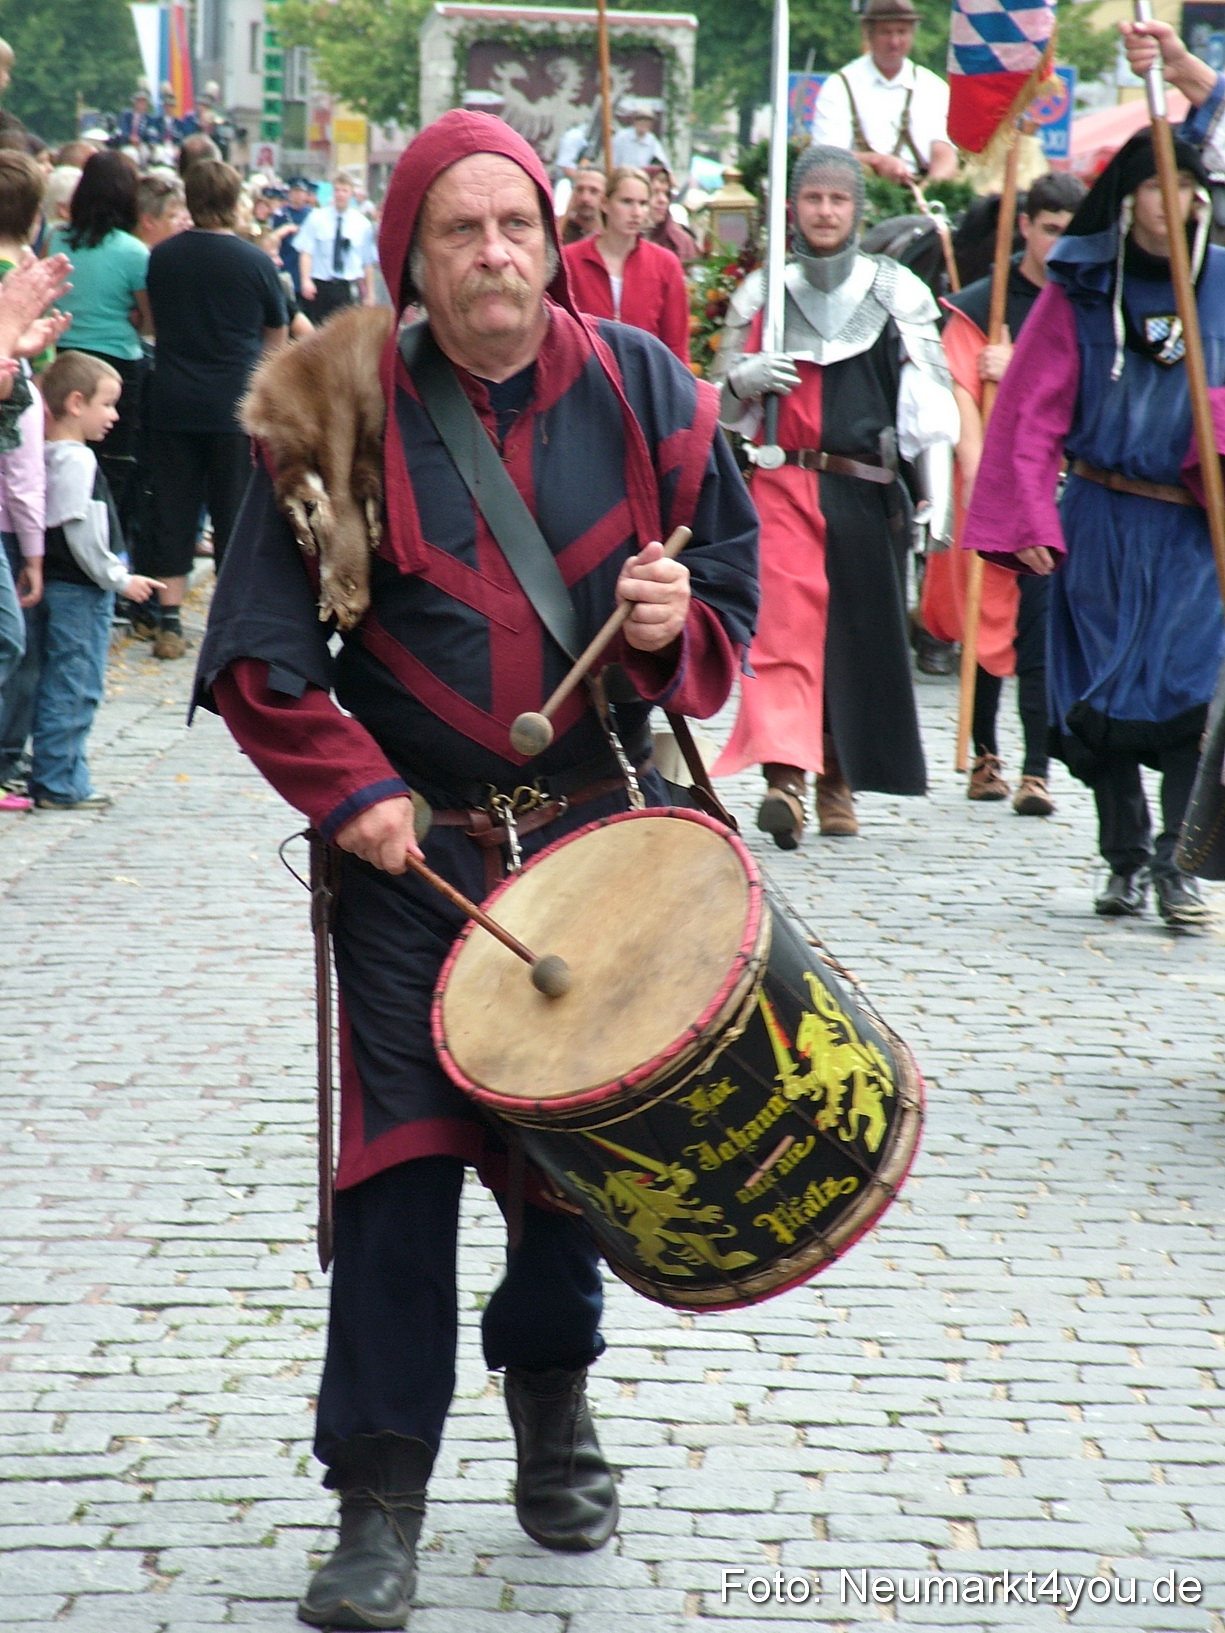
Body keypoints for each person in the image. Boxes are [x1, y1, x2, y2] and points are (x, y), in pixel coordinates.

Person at [192, 107, 757, 1630]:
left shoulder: (649, 390)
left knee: (573, 1166)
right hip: (413, 859)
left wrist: (664, 626)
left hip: (597, 836)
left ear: (549, 234)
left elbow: (730, 609)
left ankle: (553, 1402)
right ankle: (379, 1493)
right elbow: (253, 652)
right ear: (412, 255)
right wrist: (353, 791)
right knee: (401, 1172)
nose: (494, 251)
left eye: (515, 222)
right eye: (461, 230)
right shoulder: (331, 407)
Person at [964, 134, 1224, 927]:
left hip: (1191, 531)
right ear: (1125, 197)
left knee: (1192, 694)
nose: (1165, 202)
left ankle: (1175, 867)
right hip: (1102, 518)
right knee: (1097, 695)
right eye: (1151, 185)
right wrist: (1031, 513)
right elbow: (1029, 415)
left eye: (1181, 185)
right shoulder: (1078, 289)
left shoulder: (1222, 282)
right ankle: (1123, 858)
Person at [711, 143, 957, 846]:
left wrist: (932, 496)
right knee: (783, 630)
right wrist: (740, 381)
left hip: (864, 489)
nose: (823, 211)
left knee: (854, 638)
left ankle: (837, 778)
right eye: (812, 198)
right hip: (782, 480)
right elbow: (724, 416)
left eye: (837, 199)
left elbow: (927, 406)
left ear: (857, 208)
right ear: (791, 208)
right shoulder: (761, 291)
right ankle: (785, 775)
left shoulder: (896, 291)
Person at [921, 171, 1085, 814]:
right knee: (986, 621)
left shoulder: (1085, 299)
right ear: (1025, 227)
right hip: (994, 487)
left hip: (1061, 489)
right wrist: (983, 480)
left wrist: (1016, 367)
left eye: (1070, 232)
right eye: (1049, 230)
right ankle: (987, 753)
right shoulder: (982, 305)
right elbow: (959, 389)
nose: (1059, 243)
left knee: (1041, 630)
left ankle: (1038, 769)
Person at [139, 159, 286, 658]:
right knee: (234, 512)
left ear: (191, 201)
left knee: (173, 508)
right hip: (234, 403)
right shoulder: (256, 262)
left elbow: (154, 325)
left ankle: (170, 620)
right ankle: (230, 623)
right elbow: (277, 336)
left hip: (174, 398)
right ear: (233, 200)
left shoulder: (163, 258)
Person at [26, 352, 161, 810]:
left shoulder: (38, 454)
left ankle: (58, 775)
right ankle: (60, 782)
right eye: (108, 404)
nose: (115, 416)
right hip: (80, 593)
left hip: (54, 585)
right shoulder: (77, 460)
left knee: (53, 680)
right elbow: (81, 532)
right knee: (76, 684)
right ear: (76, 403)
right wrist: (119, 578)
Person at [46, 150, 150, 538]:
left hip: (62, 357)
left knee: (57, 454)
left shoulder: (56, 238)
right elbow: (149, 319)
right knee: (114, 463)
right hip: (117, 362)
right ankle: (106, 542)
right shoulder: (134, 252)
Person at [811, 0, 957, 185]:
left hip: (920, 194)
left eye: (902, 32)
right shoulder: (839, 86)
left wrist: (927, 192)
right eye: (886, 32)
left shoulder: (932, 87)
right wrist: (877, 162)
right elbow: (826, 157)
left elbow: (944, 154)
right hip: (856, 194)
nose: (894, 42)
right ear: (868, 34)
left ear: (913, 33)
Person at [562, 166, 690, 364]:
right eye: (627, 202)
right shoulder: (571, 260)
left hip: (646, 381)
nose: (636, 212)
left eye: (643, 203)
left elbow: (677, 345)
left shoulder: (666, 264)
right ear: (605, 204)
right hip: (585, 379)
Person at [294, 171, 377, 323]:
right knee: (318, 333)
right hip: (321, 285)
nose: (340, 194)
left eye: (344, 191)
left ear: (351, 194)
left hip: (347, 287)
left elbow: (367, 263)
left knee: (346, 334)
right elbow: (306, 253)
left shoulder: (362, 224)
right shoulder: (316, 218)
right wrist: (306, 280)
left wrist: (370, 294)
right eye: (337, 190)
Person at [271, 176, 315, 296]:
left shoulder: (312, 215)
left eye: (301, 192)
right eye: (295, 191)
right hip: (287, 261)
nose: (298, 195)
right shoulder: (281, 214)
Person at [645, 165, 699, 263]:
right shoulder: (626, 240)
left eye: (666, 194)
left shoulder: (681, 242)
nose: (663, 200)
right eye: (654, 192)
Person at [558, 161, 605, 245]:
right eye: (580, 189)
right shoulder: (555, 228)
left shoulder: (613, 237)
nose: (585, 198)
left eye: (594, 191)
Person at [611, 106, 668, 171]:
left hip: (642, 176)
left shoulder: (652, 140)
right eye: (641, 120)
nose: (644, 124)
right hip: (623, 175)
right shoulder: (621, 137)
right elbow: (612, 161)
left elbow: (663, 163)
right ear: (635, 122)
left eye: (648, 122)